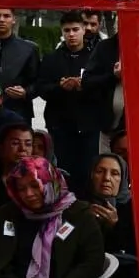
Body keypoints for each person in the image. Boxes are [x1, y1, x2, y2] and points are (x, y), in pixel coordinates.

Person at [34, 11, 99, 182]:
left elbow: (103, 87)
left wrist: (83, 85)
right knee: (62, 171)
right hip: (59, 125)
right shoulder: (51, 58)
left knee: (87, 171)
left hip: (89, 125)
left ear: (84, 29)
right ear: (62, 32)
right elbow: (41, 87)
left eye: (75, 29)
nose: (71, 34)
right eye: (67, 30)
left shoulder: (95, 57)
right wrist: (60, 87)